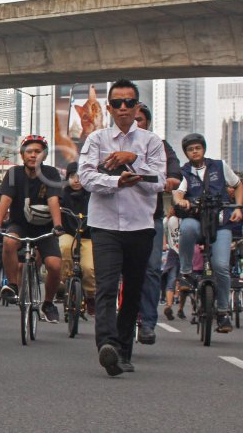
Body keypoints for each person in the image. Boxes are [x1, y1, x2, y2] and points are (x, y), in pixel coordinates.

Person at [78, 78, 165, 376]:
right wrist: (117, 181)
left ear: (137, 106)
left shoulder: (151, 143)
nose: (124, 108)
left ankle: (124, 351)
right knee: (105, 286)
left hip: (141, 227)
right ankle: (109, 347)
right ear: (109, 107)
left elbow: (160, 182)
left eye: (129, 103)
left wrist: (134, 161)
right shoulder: (96, 140)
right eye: (117, 103)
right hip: (104, 226)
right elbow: (87, 179)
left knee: (133, 291)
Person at [172, 132, 243, 333]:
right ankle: (185, 273)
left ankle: (222, 313)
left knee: (221, 266)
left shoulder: (219, 166)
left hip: (220, 223)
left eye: (198, 148)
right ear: (186, 153)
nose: (195, 152)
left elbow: (237, 185)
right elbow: (178, 193)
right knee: (185, 227)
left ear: (203, 149)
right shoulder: (184, 172)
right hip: (196, 220)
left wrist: (238, 208)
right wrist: (181, 201)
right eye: (190, 149)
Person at [0, 135, 64, 323]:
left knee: (55, 266)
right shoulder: (14, 173)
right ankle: (13, 286)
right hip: (20, 225)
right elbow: (5, 200)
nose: (34, 155)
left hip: (45, 228)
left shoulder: (51, 174)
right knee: (8, 241)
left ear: (45, 156)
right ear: (22, 155)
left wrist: (58, 225)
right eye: (30, 152)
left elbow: (53, 200)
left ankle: (48, 303)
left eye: (38, 152)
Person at [133, 103, 182, 344]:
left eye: (140, 119)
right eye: (131, 118)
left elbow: (174, 169)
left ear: (147, 123)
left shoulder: (159, 145)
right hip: (116, 219)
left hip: (150, 218)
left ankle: (148, 323)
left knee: (151, 269)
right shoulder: (109, 142)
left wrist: (172, 178)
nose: (135, 122)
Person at [58, 161, 96, 316]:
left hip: (88, 237)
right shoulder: (61, 195)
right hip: (68, 234)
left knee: (89, 268)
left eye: (80, 176)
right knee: (63, 248)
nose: (76, 180)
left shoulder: (94, 195)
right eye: (73, 176)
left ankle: (91, 296)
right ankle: (63, 282)